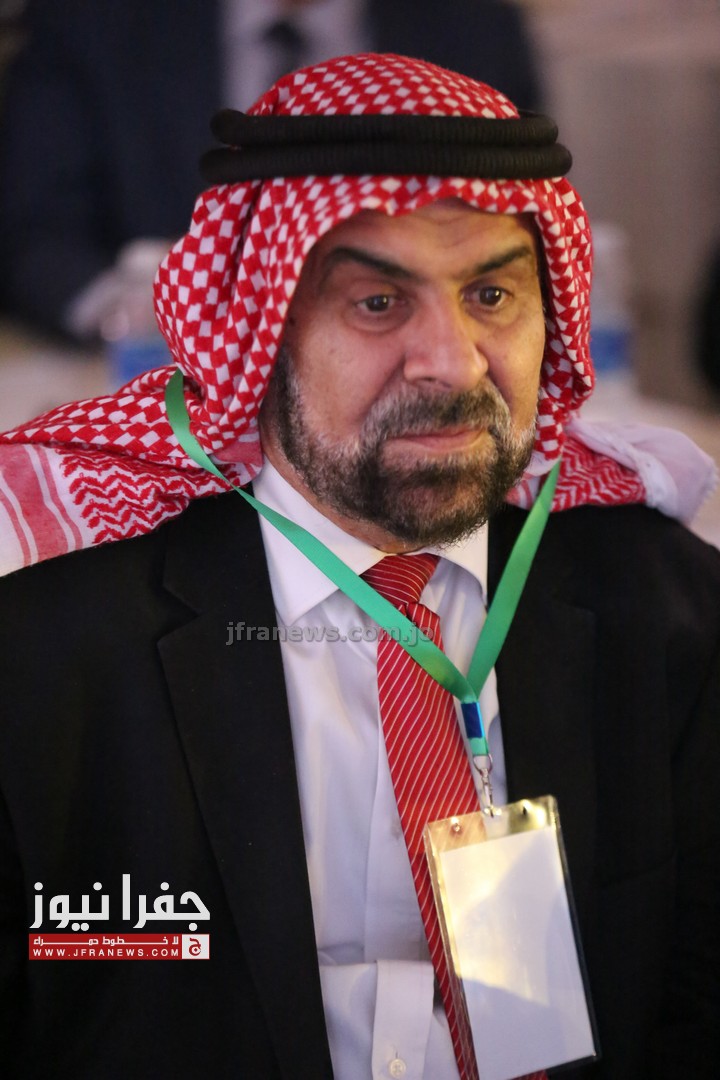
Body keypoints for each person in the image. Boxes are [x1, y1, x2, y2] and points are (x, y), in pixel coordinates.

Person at [0, 52, 719, 1080]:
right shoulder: (51, 654)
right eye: (378, 303)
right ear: (260, 331)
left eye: (492, 294)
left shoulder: (672, 614)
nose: (454, 362)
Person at [0, 0, 541, 341]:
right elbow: (34, 232)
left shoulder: (474, 26)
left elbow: (523, 219)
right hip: (159, 382)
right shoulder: (92, 21)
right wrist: (132, 309)